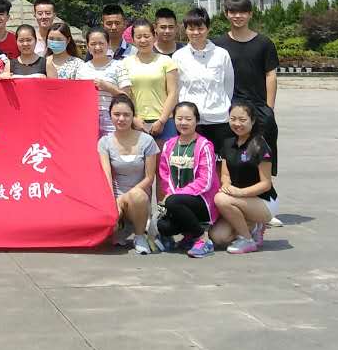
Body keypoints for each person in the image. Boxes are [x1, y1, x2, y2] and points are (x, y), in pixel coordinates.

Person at [214, 0, 281, 177]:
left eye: (243, 12)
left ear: (250, 14)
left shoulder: (264, 43)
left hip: (258, 109)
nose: (238, 16)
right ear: (226, 14)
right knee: (230, 162)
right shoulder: (218, 45)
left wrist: (269, 109)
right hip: (229, 110)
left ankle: (262, 194)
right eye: (233, 12)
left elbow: (270, 76)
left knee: (260, 163)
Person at [208, 101, 276, 254]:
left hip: (263, 201)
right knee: (218, 237)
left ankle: (247, 239)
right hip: (238, 200)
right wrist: (226, 185)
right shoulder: (227, 143)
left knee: (221, 199)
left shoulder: (259, 145)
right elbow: (225, 175)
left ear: (253, 120)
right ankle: (253, 226)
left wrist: (240, 193)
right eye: (233, 119)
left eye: (242, 120)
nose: (237, 124)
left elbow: (266, 184)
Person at [155, 102, 219, 258]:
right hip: (177, 201)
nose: (183, 123)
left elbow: (205, 181)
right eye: (179, 118)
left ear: (197, 120)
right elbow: (164, 175)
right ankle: (190, 235)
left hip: (202, 201)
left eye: (188, 119)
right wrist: (172, 194)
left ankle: (203, 239)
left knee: (173, 202)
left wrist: (177, 195)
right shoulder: (169, 145)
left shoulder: (204, 145)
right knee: (162, 226)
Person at [98, 94, 159, 254]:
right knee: (106, 224)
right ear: (110, 115)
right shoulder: (104, 142)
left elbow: (150, 177)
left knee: (136, 196)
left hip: (139, 200)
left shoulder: (147, 141)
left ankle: (139, 236)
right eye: (117, 114)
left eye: (126, 115)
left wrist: (126, 198)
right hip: (115, 199)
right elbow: (106, 175)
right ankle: (121, 227)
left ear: (133, 116)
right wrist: (112, 203)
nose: (121, 119)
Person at [172, 7, 235, 149]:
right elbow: (176, 88)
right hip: (190, 121)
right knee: (192, 159)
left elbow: (228, 86)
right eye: (191, 29)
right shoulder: (179, 56)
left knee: (219, 159)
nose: (196, 33)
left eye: (200, 28)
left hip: (219, 118)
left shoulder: (221, 54)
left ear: (208, 29)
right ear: (185, 30)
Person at [60, 26, 128, 136]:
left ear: (108, 44)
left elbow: (126, 96)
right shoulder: (82, 68)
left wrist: (108, 87)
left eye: (101, 43)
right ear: (87, 46)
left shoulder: (119, 66)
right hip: (88, 118)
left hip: (112, 118)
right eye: (93, 44)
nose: (97, 47)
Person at [122, 18, 179, 143]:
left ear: (154, 36)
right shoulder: (125, 63)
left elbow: (173, 93)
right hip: (137, 122)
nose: (143, 40)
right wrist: (133, 118)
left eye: (147, 36)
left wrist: (162, 121)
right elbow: (124, 95)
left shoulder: (166, 61)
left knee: (166, 155)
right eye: (138, 37)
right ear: (133, 40)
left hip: (164, 122)